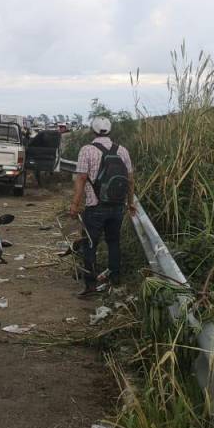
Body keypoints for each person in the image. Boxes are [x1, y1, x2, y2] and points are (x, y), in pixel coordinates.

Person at [69, 117, 136, 298]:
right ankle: (115, 280)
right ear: (110, 130)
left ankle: (90, 286)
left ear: (93, 130)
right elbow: (130, 180)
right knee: (114, 242)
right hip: (117, 207)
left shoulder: (87, 150)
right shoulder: (122, 150)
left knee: (90, 244)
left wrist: (75, 204)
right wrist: (130, 203)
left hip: (95, 206)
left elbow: (81, 178)